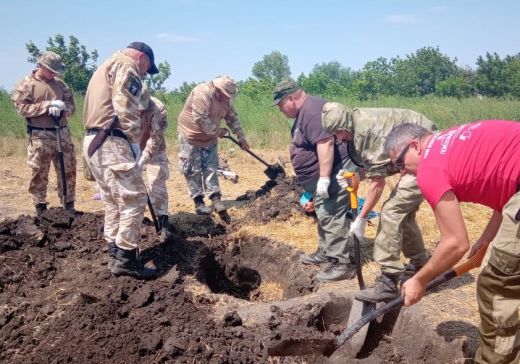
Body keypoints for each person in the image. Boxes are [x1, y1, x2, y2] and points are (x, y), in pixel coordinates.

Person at [384, 120, 520, 364]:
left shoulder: (429, 167)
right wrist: (487, 238)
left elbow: (456, 243)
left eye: (400, 164)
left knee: (496, 285)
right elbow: (509, 184)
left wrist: (419, 280)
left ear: (415, 145)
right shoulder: (449, 140)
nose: (402, 172)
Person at [321, 102, 437, 301]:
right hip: (414, 148)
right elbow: (377, 167)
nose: (339, 138)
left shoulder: (366, 132)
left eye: (338, 133)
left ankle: (389, 280)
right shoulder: (356, 122)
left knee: (391, 210)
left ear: (344, 126)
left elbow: (378, 184)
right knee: (403, 212)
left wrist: (362, 218)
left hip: (425, 153)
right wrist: (356, 175)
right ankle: (419, 262)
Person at [82, 41, 158, 279]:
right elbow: (124, 104)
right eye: (147, 67)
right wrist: (134, 139)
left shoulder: (104, 66)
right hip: (113, 140)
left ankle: (115, 254)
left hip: (94, 141)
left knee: (113, 202)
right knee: (134, 200)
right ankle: (126, 259)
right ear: (141, 57)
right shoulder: (127, 64)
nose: (145, 73)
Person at [273, 79, 358, 282]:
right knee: (322, 212)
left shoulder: (311, 111)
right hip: (324, 175)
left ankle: (342, 264)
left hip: (335, 172)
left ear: (291, 98)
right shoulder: (306, 111)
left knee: (330, 215)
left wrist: (323, 179)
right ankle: (326, 252)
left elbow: (326, 143)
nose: (280, 110)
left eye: (280, 105)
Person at [11, 51, 77, 215]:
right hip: (40, 136)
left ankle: (69, 205)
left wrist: (62, 108)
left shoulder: (61, 85)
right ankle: (41, 209)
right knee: (40, 173)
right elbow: (22, 109)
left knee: (68, 170)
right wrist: (47, 105)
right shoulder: (26, 84)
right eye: (51, 70)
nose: (54, 74)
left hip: (62, 134)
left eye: (56, 71)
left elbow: (72, 108)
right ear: (40, 65)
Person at [177, 75, 250, 215]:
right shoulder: (202, 93)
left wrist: (241, 137)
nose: (228, 98)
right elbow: (199, 119)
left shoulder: (226, 101)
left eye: (230, 96)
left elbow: (232, 118)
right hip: (190, 136)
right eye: (226, 95)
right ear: (218, 89)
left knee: (211, 167)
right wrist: (217, 131)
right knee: (192, 170)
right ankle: (199, 202)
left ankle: (215, 198)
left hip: (210, 138)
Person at [137, 89, 174, 240]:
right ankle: (132, 223)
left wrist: (143, 159)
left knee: (157, 180)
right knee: (129, 186)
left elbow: (155, 138)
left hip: (155, 148)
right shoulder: (122, 102)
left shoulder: (158, 109)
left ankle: (162, 222)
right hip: (129, 144)